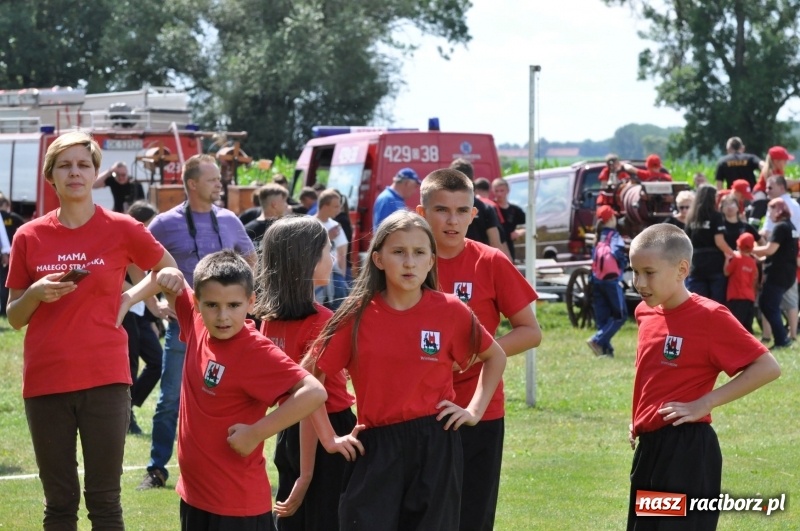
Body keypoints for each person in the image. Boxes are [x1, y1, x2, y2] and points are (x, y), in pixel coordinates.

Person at [5, 131, 179, 529]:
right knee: (59, 504)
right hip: (46, 382)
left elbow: (166, 269)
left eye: (84, 164)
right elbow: (15, 317)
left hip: (106, 380)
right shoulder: (28, 235)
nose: (75, 172)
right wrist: (34, 292)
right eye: (65, 165)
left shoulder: (123, 227)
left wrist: (128, 298)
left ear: (96, 173)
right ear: (51, 176)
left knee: (105, 503)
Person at [303, 210, 507, 531]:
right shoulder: (355, 317)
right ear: (379, 259)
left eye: (419, 252)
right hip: (376, 444)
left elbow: (495, 356)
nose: (409, 262)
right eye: (399, 252)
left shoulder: (451, 310)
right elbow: (311, 376)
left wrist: (474, 410)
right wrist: (328, 438)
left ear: (431, 261)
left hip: (436, 443)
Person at [128, 250, 327, 530]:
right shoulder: (196, 322)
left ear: (251, 302)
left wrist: (257, 432)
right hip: (195, 497)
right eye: (212, 305)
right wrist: (131, 297)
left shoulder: (255, 351)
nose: (223, 316)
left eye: (234, 305)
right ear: (196, 303)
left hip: (237, 507)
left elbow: (314, 392)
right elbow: (162, 275)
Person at [627, 223, 781, 530]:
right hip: (650, 448)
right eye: (634, 272)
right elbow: (653, 374)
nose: (639, 282)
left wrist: (705, 402)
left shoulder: (710, 316)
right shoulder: (646, 313)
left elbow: (768, 367)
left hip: (686, 452)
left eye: (649, 272)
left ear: (681, 269)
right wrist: (640, 418)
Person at [415, 170, 540, 531]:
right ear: (421, 213)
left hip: (478, 412)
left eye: (461, 211)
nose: (452, 220)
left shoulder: (491, 261)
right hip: (415, 413)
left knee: (472, 517)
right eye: (442, 210)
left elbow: (530, 332)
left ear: (474, 215)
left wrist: (482, 352)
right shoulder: (406, 260)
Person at [138, 154, 257, 491]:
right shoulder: (163, 223)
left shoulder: (231, 220)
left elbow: (251, 260)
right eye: (212, 179)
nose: (219, 184)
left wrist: (246, 303)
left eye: (218, 179)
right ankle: (157, 469)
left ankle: (221, 466)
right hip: (184, 324)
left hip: (227, 328)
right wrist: (154, 302)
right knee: (170, 398)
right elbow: (139, 264)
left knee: (226, 397)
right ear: (192, 184)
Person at [253, 216, 356, 531]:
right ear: (307, 261)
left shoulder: (270, 320)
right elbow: (312, 402)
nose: (332, 257)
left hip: (290, 433)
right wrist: (306, 474)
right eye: (326, 250)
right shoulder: (324, 321)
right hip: (329, 433)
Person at [124, 200, 170, 435]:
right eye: (151, 226)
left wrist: (155, 316)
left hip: (141, 314)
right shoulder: (121, 238)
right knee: (129, 366)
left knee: (157, 362)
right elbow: (119, 281)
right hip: (124, 313)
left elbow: (145, 278)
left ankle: (127, 407)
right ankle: (125, 417)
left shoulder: (144, 247)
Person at [752, 198, 799, 349]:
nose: (768, 213)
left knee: (769, 304)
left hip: (777, 274)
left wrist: (747, 249)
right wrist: (760, 257)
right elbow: (780, 252)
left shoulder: (780, 227)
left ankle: (781, 339)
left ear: (778, 210)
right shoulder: (790, 226)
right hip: (788, 273)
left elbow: (770, 249)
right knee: (768, 304)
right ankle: (781, 337)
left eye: (770, 210)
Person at [587, 205, 627, 358]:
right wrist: (622, 265)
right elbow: (617, 251)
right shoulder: (614, 236)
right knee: (620, 316)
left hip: (597, 280)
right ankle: (597, 340)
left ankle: (606, 351)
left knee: (603, 317)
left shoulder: (599, 237)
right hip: (611, 280)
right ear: (611, 219)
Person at [684, 184, 732, 304]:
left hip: (696, 264)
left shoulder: (691, 217)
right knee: (716, 303)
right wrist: (732, 254)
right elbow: (719, 241)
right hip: (714, 265)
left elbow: (687, 241)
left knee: (697, 303)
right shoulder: (716, 216)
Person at [449, 159, 507, 256]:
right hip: (478, 263)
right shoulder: (485, 208)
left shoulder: (441, 207)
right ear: (472, 179)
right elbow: (495, 243)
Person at [314, 189, 349, 310]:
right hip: (312, 275)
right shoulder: (310, 223)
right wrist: (327, 236)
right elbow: (305, 248)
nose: (339, 210)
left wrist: (342, 277)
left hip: (332, 275)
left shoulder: (335, 226)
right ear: (325, 206)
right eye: (335, 206)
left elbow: (342, 253)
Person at [724, 233, 759, 334]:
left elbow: (726, 272)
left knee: (735, 325)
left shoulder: (737, 259)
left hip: (736, 296)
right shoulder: (753, 262)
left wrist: (727, 259)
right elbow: (754, 279)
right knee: (747, 326)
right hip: (749, 297)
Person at [491, 177, 526, 262]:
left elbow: (530, 224)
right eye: (496, 191)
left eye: (502, 190)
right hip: (494, 247)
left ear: (507, 190)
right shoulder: (490, 208)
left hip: (509, 248)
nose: (499, 194)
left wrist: (520, 232)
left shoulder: (515, 210)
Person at [0, 192, 24, 315]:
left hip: (5, 253)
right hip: (8, 254)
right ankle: (3, 308)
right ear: (5, 204)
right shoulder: (14, 218)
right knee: (4, 281)